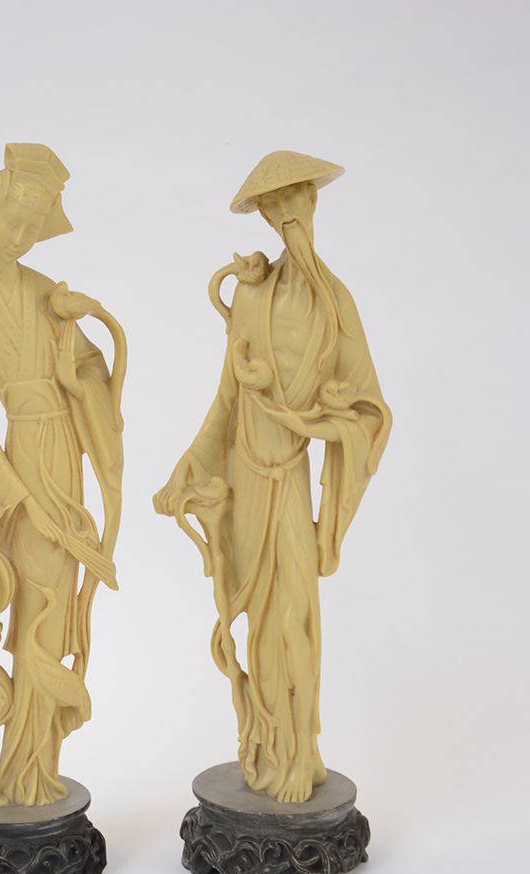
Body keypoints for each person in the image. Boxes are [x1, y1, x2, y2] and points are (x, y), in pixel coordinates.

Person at [155, 151, 391, 802]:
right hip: (244, 477)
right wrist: (190, 464)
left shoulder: (335, 306)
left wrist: (317, 422)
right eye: (273, 206)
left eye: (296, 201)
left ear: (315, 202)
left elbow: (372, 411)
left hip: (290, 476)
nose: (287, 216)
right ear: (261, 214)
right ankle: (263, 746)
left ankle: (301, 752)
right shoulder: (251, 294)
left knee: (294, 618)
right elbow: (226, 400)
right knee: (257, 621)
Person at [0, 144, 124, 806]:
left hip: (62, 450)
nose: (19, 235)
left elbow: (94, 369)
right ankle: (17, 767)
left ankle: (36, 769)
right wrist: (11, 495)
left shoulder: (47, 294)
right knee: (31, 600)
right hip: (17, 463)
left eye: (32, 226)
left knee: (56, 600)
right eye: (13, 220)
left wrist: (76, 374)